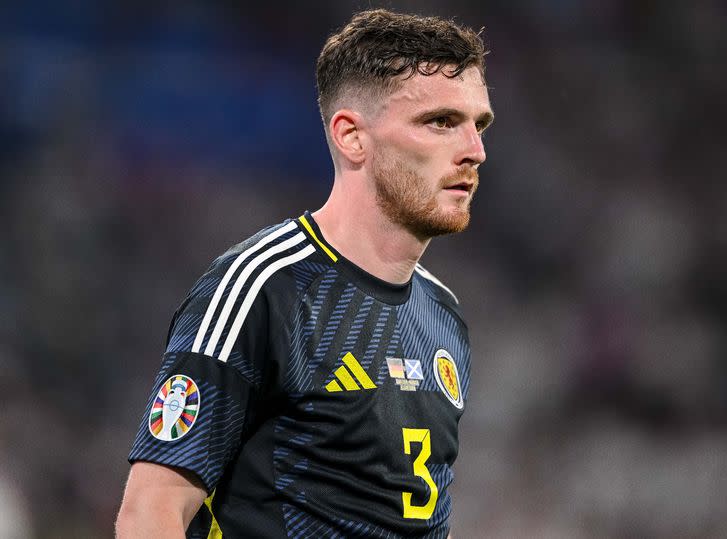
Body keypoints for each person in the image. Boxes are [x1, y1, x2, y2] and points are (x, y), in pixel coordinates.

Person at [116, 8, 493, 538]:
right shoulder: (263, 288)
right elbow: (150, 513)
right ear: (351, 136)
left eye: (478, 126)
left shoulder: (443, 316)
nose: (474, 151)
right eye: (441, 122)